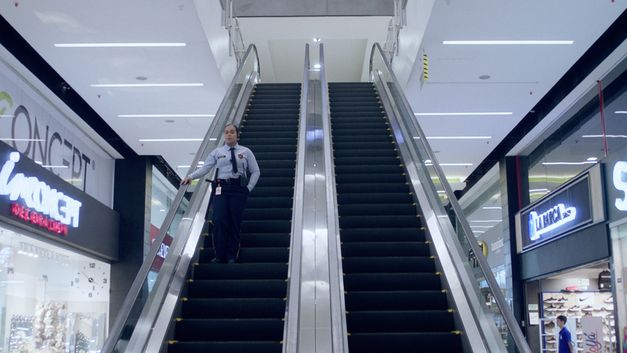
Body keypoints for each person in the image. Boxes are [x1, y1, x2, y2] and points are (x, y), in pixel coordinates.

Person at [181, 124, 260, 263]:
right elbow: (205, 168)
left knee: (234, 222)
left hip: (238, 189)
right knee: (218, 220)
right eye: (226, 132)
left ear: (237, 134)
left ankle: (231, 255)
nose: (229, 134)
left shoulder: (246, 152)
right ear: (224, 135)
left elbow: (255, 171)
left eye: (232, 132)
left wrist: (248, 188)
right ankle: (219, 254)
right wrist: (190, 177)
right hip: (220, 188)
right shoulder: (217, 152)